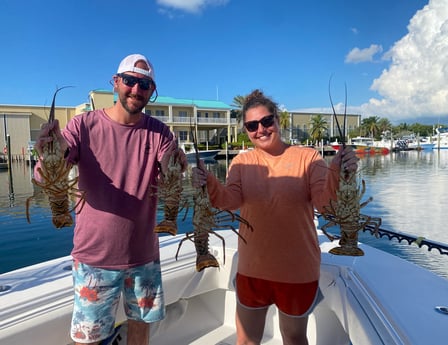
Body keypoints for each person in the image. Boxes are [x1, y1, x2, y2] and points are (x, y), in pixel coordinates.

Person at [35, 54, 186, 345]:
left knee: (140, 329)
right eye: (129, 81)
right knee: (89, 338)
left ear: (151, 91)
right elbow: (47, 174)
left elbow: (172, 176)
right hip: (95, 257)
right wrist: (47, 151)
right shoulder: (82, 126)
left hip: (144, 255)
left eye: (145, 84)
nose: (136, 90)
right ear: (115, 82)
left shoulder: (160, 132)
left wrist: (178, 170)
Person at [192, 89, 359, 345]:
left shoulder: (308, 157)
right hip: (252, 269)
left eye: (266, 121)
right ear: (245, 130)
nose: (261, 129)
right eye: (252, 125)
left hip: (297, 272)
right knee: (247, 340)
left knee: (293, 338)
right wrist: (208, 182)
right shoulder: (241, 162)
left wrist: (338, 171)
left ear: (277, 120)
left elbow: (326, 205)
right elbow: (230, 201)